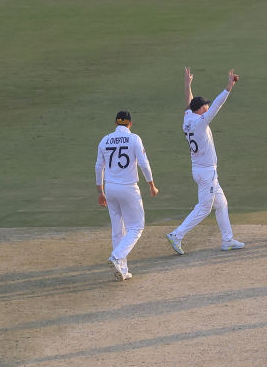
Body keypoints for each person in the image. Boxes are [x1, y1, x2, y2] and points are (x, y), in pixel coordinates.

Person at [166, 67, 244, 254]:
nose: (207, 107)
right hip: (206, 172)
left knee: (222, 204)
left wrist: (187, 84)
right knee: (204, 208)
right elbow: (217, 105)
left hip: (203, 170)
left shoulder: (188, 118)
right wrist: (229, 86)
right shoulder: (200, 122)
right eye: (204, 106)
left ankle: (227, 240)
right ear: (200, 110)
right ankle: (177, 234)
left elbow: (188, 103)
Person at [95, 111, 158, 281]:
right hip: (128, 188)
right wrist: (151, 185)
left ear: (116, 123)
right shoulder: (134, 139)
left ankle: (122, 269)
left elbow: (98, 166)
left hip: (110, 188)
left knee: (118, 229)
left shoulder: (105, 139)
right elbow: (144, 163)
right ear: (130, 123)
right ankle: (116, 257)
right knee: (136, 227)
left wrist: (100, 191)